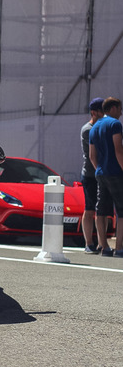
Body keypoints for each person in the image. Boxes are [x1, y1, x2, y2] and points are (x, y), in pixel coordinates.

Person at [89, 97, 123, 257]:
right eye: (120, 108)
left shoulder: (94, 127)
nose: (121, 112)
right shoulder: (115, 124)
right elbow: (118, 150)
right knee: (121, 211)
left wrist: (100, 170)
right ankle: (119, 247)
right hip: (116, 172)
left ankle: (104, 247)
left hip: (101, 173)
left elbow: (92, 156)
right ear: (113, 108)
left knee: (101, 210)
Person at [80, 97, 104, 253]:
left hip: (102, 173)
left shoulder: (102, 127)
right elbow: (95, 153)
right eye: (102, 111)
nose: (105, 115)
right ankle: (88, 243)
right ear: (94, 112)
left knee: (102, 210)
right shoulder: (88, 129)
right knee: (90, 209)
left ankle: (102, 243)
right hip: (90, 174)